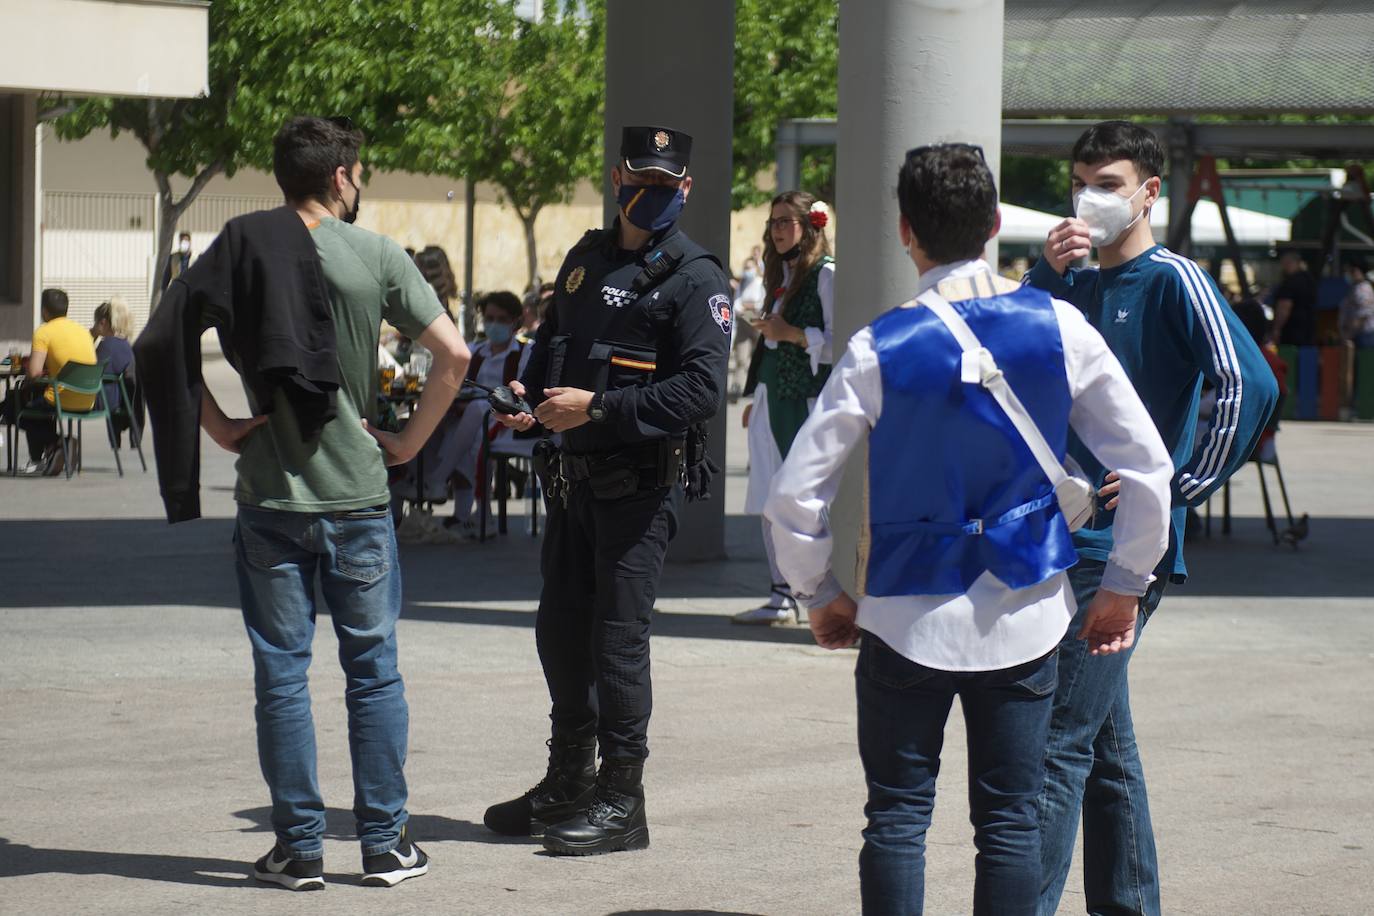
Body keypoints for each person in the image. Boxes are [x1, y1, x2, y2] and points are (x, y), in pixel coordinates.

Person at [764, 142, 1175, 916]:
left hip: (901, 611)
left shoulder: (876, 346)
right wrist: (1124, 584)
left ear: (903, 231)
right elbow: (1148, 467)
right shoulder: (1059, 325)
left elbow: (794, 494)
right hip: (1027, 611)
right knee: (1013, 821)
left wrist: (818, 591)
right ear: (993, 223)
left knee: (895, 818)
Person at [143, 116, 470, 889]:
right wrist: (410, 443)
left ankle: (299, 849)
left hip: (270, 495)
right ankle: (387, 844)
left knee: (282, 675)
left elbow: (163, 339)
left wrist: (221, 426)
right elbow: (454, 354)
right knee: (373, 671)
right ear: (342, 176)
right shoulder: (377, 255)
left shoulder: (242, 246)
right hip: (357, 493)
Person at [1025, 120, 1278, 915]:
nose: (1091, 198)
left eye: (1109, 184)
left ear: (1148, 193)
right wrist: (1042, 275)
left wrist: (1172, 489)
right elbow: (1011, 374)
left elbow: (1249, 386)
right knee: (1104, 748)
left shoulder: (1173, 279)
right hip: (1060, 538)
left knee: (1053, 744)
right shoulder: (1068, 282)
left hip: (1120, 550)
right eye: (1081, 183)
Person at [484, 125, 730, 856]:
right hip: (572, 483)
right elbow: (551, 337)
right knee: (561, 635)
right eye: (641, 180)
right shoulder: (585, 260)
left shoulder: (696, 277)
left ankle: (624, 803)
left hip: (636, 487)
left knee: (618, 647)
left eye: (667, 185)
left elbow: (700, 390)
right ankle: (570, 779)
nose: (651, 195)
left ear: (686, 190)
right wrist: (526, 388)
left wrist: (595, 409)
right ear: (618, 178)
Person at [735, 192, 835, 624]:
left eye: (785, 222)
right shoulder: (781, 277)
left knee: (801, 498)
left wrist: (793, 333)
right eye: (773, 222)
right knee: (770, 495)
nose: (776, 230)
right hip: (772, 397)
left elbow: (840, 342)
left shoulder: (826, 276)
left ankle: (811, 592)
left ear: (809, 226)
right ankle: (782, 592)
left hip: (805, 400)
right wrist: (757, 394)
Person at [1, 288, 97, 475]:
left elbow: (35, 372)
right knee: (31, 402)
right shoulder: (83, 332)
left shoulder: (44, 332)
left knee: (18, 408)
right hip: (88, 398)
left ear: (44, 311)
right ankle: (50, 454)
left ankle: (57, 443)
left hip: (60, 398)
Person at [91, 296, 136, 415]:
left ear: (103, 322)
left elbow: (90, 372)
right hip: (121, 401)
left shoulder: (107, 345)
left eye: (95, 322)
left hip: (102, 400)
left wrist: (91, 336)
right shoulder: (126, 344)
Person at [1272, 250, 1318, 347]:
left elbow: (1284, 307)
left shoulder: (1290, 282)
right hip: (1309, 333)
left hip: (1291, 334)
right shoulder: (1310, 280)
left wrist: (1276, 329)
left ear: (1289, 263)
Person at [1338, 257, 1374, 350]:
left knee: (1363, 363)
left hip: (1363, 336)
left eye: (1350, 270)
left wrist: (1348, 335)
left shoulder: (1363, 289)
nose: (1348, 273)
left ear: (1357, 271)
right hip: (1358, 335)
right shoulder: (1356, 288)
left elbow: (1363, 316)